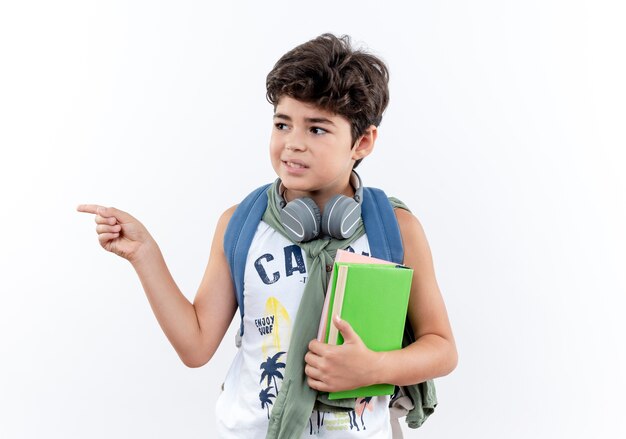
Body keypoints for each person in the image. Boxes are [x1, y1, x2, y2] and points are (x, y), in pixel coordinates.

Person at [78, 33, 457, 438]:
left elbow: (442, 348)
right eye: (282, 124)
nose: (293, 143)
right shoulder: (240, 224)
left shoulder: (394, 229)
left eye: (317, 129)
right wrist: (145, 255)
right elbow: (196, 346)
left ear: (362, 142)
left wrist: (375, 368)